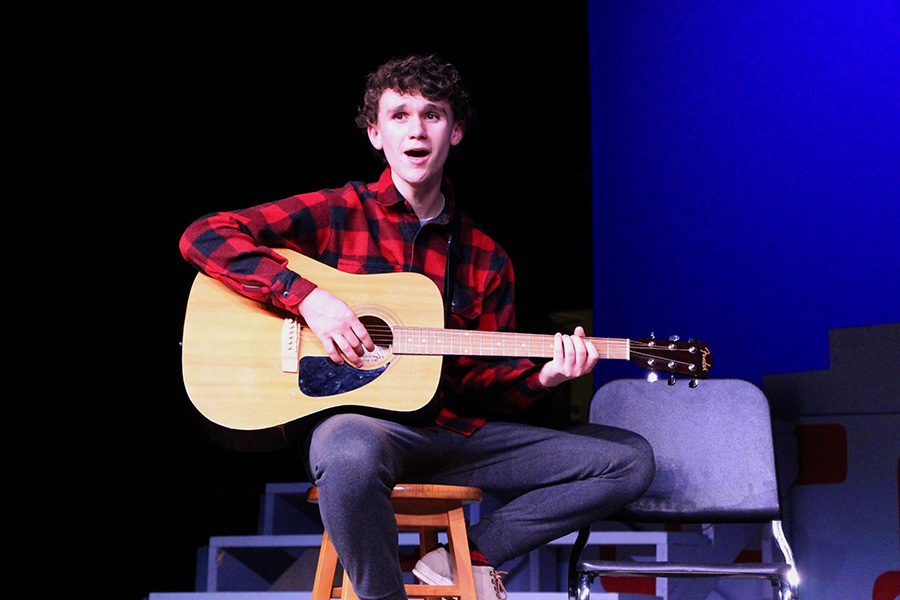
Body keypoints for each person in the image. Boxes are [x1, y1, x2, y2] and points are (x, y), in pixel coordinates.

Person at [180, 54, 654, 600]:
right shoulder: (340, 211)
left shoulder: (485, 256)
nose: (417, 129)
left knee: (628, 460)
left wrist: (542, 379)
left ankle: (462, 558)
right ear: (376, 134)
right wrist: (310, 299)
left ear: (455, 133)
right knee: (346, 452)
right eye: (400, 115)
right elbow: (205, 234)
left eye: (432, 115)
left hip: (451, 433)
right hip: (367, 430)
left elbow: (481, 388)